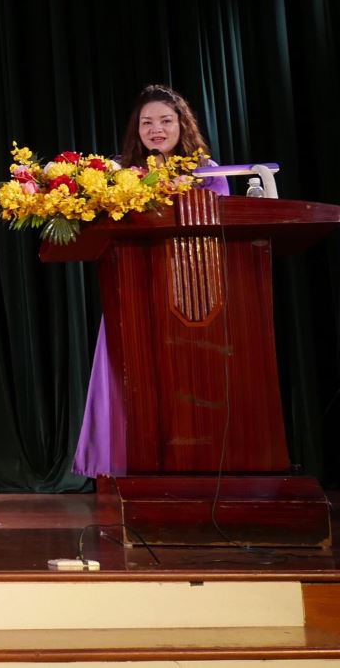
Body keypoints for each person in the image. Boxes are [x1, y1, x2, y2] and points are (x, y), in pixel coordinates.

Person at [74, 85, 230, 478]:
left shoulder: (208, 173)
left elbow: (223, 225)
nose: (155, 129)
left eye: (165, 120)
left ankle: (197, 464)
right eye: (147, 123)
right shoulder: (121, 174)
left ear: (182, 125)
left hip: (194, 294)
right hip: (135, 286)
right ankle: (126, 465)